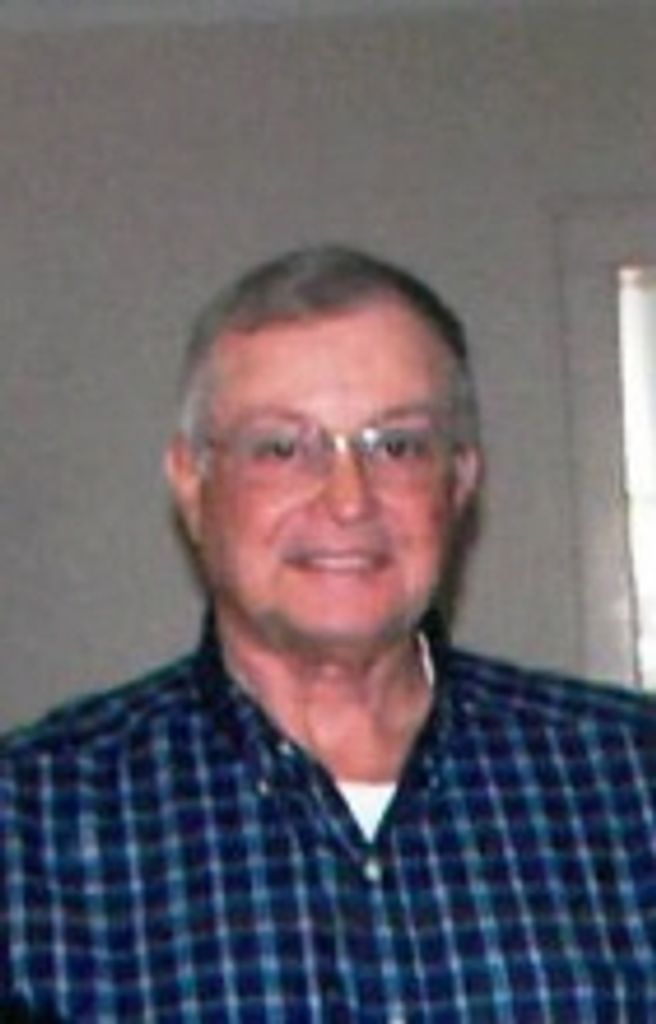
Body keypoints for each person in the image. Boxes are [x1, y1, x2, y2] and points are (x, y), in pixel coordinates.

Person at [1, 245, 656, 1023]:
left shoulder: (631, 781)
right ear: (192, 483)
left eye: (397, 446)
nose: (349, 500)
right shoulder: (30, 824)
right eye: (282, 448)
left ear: (460, 480)